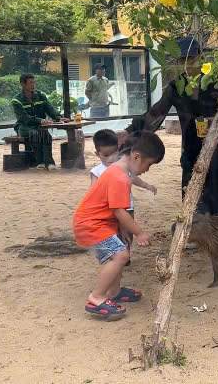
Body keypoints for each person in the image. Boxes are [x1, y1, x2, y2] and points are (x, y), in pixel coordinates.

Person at [128, 36, 218, 217]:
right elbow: (156, 113)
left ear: (201, 57)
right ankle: (194, 226)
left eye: (190, 59)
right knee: (190, 185)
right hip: (191, 147)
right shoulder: (177, 87)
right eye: (182, 60)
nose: (187, 64)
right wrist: (129, 132)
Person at [73, 130, 164, 318]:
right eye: (149, 164)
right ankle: (96, 298)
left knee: (118, 252)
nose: (147, 169)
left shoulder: (119, 172)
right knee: (120, 255)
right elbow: (119, 210)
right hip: (91, 224)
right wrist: (139, 233)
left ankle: (114, 292)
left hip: (100, 222)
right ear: (137, 156)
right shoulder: (118, 176)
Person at [90, 129, 158, 256]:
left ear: (118, 150)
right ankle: (114, 256)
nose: (110, 158)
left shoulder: (123, 166)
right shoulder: (97, 171)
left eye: (114, 153)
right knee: (112, 233)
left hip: (127, 207)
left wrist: (147, 185)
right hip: (108, 211)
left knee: (127, 232)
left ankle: (125, 255)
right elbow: (93, 191)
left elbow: (133, 178)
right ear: (97, 153)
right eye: (105, 155)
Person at [11, 73, 68, 169]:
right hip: (24, 127)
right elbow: (23, 118)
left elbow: (49, 108)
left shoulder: (41, 95)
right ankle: (40, 162)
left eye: (34, 82)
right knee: (35, 134)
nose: (33, 85)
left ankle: (49, 163)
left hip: (39, 126)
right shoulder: (16, 100)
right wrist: (40, 120)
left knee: (46, 135)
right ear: (22, 84)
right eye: (30, 83)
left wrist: (58, 117)